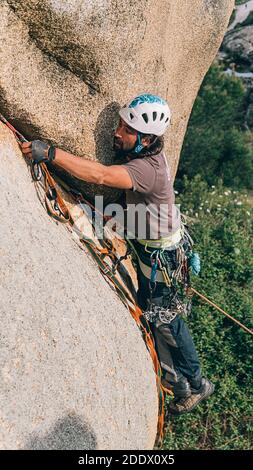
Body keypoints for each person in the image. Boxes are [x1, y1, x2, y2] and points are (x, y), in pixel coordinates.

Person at [21, 93, 215, 415]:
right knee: (152, 313)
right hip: (151, 244)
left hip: (160, 260)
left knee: (166, 321)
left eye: (126, 130)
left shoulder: (145, 170)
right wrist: (122, 217)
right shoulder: (146, 157)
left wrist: (52, 153)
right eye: (121, 125)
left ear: (145, 140)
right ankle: (178, 382)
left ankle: (196, 383)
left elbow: (99, 175)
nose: (117, 133)